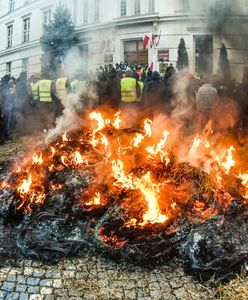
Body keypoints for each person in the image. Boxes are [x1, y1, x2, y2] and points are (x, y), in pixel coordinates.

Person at [0, 76, 15, 140]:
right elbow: (11, 96)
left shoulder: (2, 87)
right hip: (7, 106)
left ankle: (4, 135)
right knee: (6, 121)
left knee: (3, 121)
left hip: (4, 106)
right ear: (8, 80)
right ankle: (6, 135)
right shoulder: (8, 87)